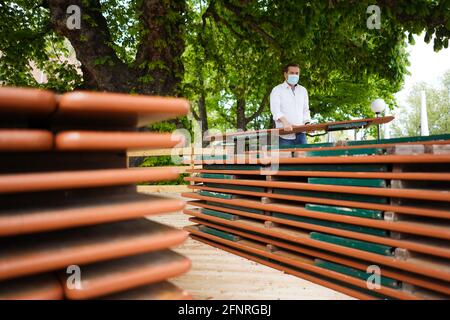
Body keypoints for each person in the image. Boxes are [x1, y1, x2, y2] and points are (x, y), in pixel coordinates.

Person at [269, 63, 311, 146]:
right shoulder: (277, 90)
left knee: (303, 159)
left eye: (297, 73)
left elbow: (305, 110)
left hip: (301, 133)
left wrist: (308, 124)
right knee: (285, 159)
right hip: (283, 134)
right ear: (285, 74)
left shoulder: (303, 90)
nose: (294, 75)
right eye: (292, 73)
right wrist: (285, 122)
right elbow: (275, 110)